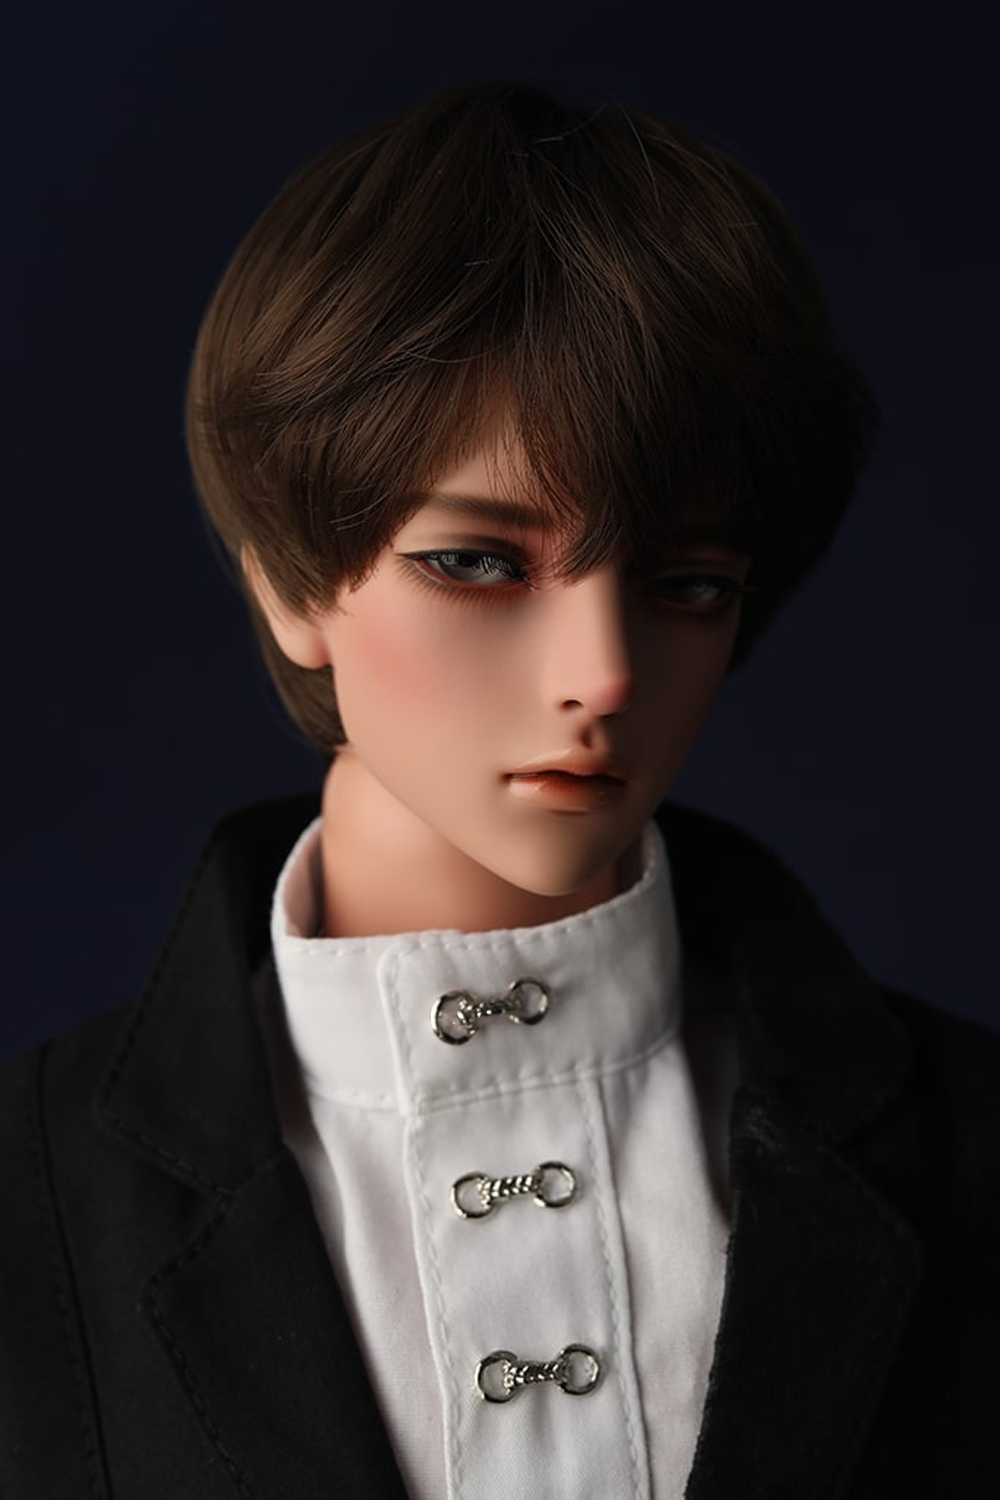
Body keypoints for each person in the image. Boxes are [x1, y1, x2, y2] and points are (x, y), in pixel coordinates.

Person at [1, 82, 997, 1500]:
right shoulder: (30, 1198)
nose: (604, 673)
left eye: (688, 584)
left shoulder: (971, 1148)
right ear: (290, 580)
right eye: (475, 561)